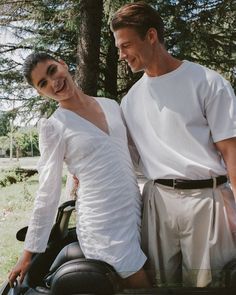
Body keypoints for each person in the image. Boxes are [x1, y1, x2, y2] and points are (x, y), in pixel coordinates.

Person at [110, 1, 236, 288]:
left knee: (208, 287)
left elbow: (232, 153)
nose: (121, 55)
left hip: (209, 202)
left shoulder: (206, 82)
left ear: (151, 36)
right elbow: (124, 157)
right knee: (159, 285)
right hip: (157, 203)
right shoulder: (130, 100)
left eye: (126, 45)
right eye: (119, 48)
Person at [8, 52, 150, 289]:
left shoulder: (111, 105)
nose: (53, 83)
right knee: (143, 287)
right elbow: (47, 192)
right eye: (43, 83)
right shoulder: (54, 127)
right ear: (40, 93)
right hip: (102, 223)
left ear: (63, 64)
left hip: (133, 211)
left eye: (52, 71)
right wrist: (28, 252)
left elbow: (134, 155)